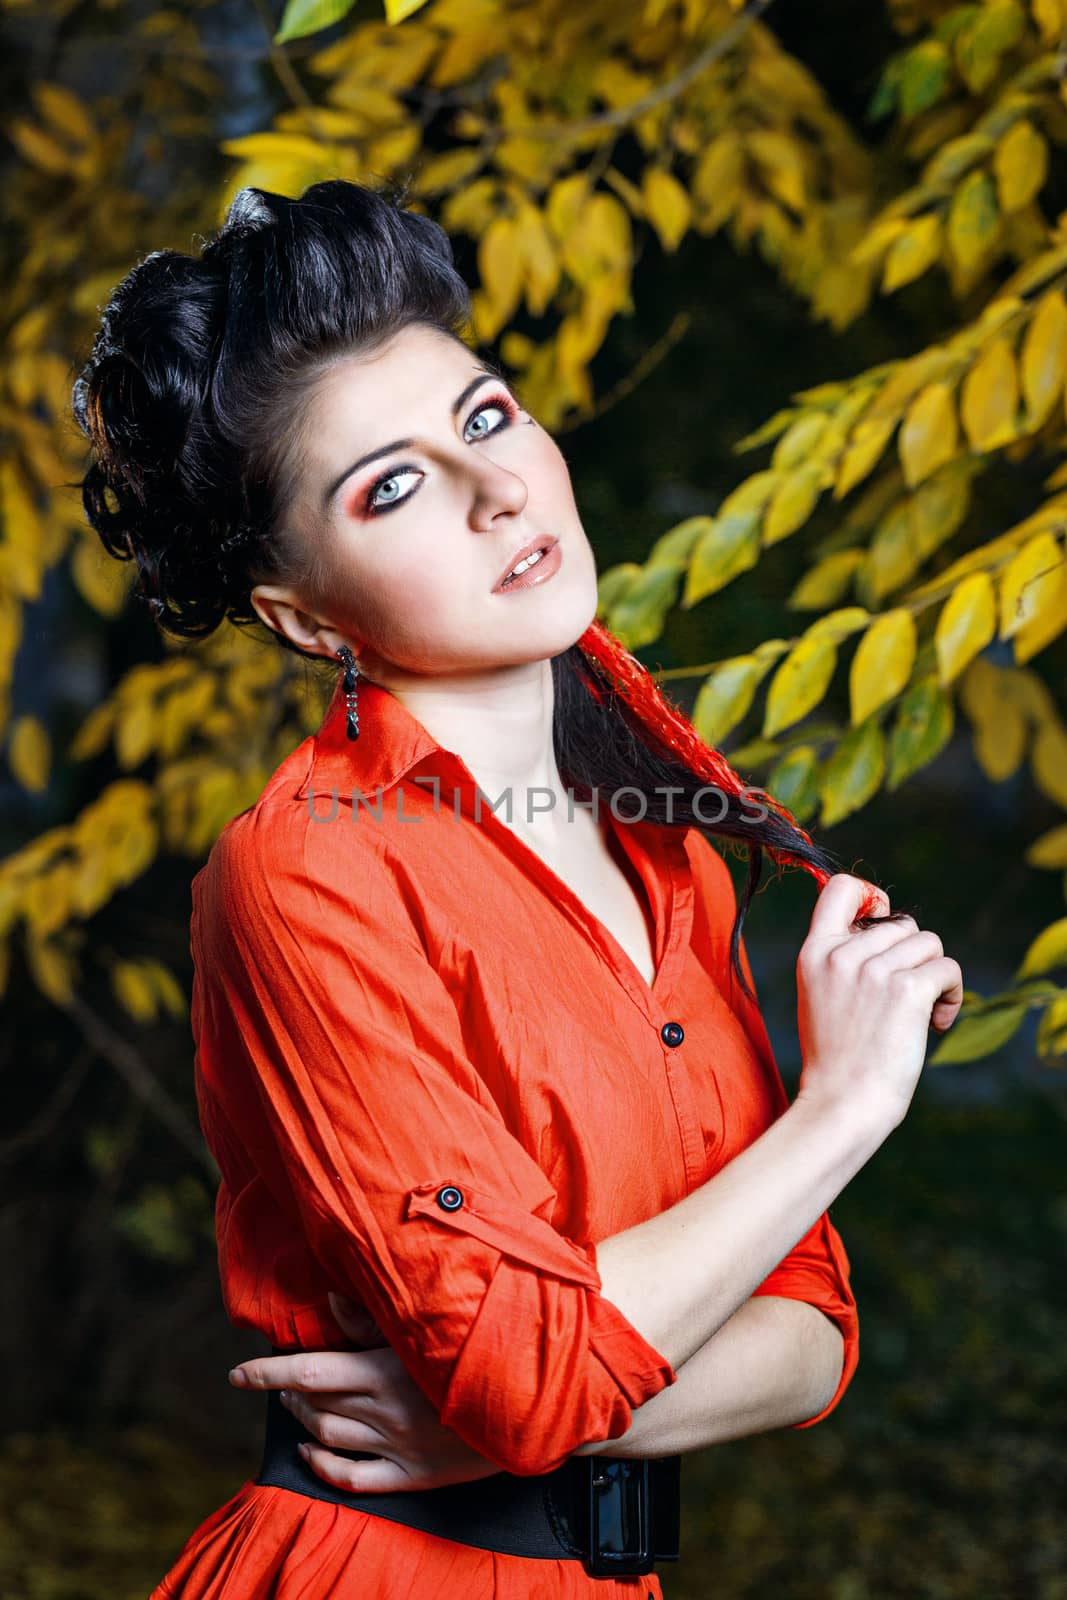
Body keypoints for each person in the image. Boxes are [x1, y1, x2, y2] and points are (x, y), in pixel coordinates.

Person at [72, 177, 963, 1600]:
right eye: (394, 485)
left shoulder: (666, 845)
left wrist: (496, 1422)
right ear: (304, 616)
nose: (499, 491)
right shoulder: (304, 874)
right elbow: (535, 1382)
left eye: (486, 417)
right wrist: (845, 1103)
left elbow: (810, 1336)